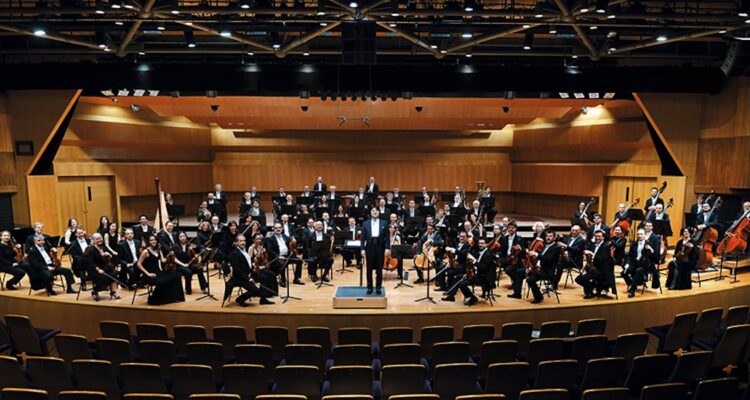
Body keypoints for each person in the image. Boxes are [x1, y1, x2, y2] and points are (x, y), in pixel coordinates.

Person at [136, 235, 185, 305]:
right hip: (149, 274)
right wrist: (148, 273)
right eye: (151, 240)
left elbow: (163, 261)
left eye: (155, 240)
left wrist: (169, 255)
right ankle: (155, 299)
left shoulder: (158, 250)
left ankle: (174, 298)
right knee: (162, 282)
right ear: (148, 242)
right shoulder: (146, 251)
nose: (153, 241)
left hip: (158, 272)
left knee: (177, 275)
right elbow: (138, 264)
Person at [227, 234, 272, 307]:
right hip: (239, 278)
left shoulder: (244, 251)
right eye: (240, 241)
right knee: (255, 290)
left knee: (264, 278)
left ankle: (263, 299)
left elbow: (248, 265)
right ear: (236, 243)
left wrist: (255, 269)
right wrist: (249, 278)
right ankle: (240, 299)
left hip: (248, 274)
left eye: (244, 241)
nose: (243, 242)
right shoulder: (234, 254)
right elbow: (237, 271)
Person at [82, 233, 120, 301]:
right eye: (97, 239)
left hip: (104, 268)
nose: (99, 240)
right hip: (94, 270)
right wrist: (98, 269)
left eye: (100, 238)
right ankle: (95, 291)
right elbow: (90, 262)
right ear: (93, 241)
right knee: (103, 278)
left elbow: (107, 262)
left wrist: (108, 256)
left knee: (114, 275)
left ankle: (113, 292)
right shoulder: (89, 249)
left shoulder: (103, 248)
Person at [623, 229, 660, 298]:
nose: (639, 236)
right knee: (623, 273)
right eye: (638, 234)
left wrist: (651, 250)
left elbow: (656, 258)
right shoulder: (634, 244)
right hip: (635, 263)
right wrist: (627, 264)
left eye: (641, 234)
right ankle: (632, 284)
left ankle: (632, 291)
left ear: (645, 235)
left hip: (645, 265)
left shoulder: (649, 244)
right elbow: (629, 256)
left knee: (638, 271)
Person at [526, 230, 561, 304]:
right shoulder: (545, 246)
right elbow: (541, 257)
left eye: (550, 236)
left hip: (548, 272)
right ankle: (538, 295)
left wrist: (536, 254)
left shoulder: (556, 248)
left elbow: (548, 259)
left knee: (530, 280)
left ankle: (538, 297)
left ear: (554, 238)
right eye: (547, 236)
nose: (548, 238)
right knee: (527, 274)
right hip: (541, 269)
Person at [575, 230, 611, 299]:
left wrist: (592, 254)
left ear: (603, 237)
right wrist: (585, 269)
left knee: (584, 278)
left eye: (599, 236)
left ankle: (589, 292)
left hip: (601, 269)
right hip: (592, 268)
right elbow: (589, 260)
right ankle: (590, 289)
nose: (597, 238)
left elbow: (603, 260)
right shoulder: (593, 246)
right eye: (596, 236)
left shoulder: (606, 246)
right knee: (578, 279)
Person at [361, 207, 388, 294]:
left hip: (380, 247)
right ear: (370, 213)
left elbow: (387, 237)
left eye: (376, 211)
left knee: (379, 269)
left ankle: (378, 287)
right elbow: (362, 238)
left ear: (379, 212)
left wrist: (387, 248)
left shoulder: (384, 223)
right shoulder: (365, 223)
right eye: (373, 211)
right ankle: (369, 287)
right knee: (369, 269)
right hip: (369, 247)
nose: (374, 212)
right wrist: (362, 249)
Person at [499, 221, 526, 299]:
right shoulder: (504, 238)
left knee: (509, 270)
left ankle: (516, 284)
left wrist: (521, 249)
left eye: (512, 228)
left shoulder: (520, 239)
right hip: (507, 259)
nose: (510, 229)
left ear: (515, 229)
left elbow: (524, 254)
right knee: (515, 274)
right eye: (509, 227)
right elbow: (502, 251)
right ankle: (517, 288)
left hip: (516, 260)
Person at [555, 225, 585, 290]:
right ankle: (552, 279)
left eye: (576, 231)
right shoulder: (570, 238)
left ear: (579, 231)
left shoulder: (581, 240)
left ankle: (555, 282)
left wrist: (565, 246)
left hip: (575, 261)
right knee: (553, 260)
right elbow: (566, 246)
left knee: (560, 264)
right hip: (567, 258)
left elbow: (576, 250)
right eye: (573, 230)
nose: (574, 232)